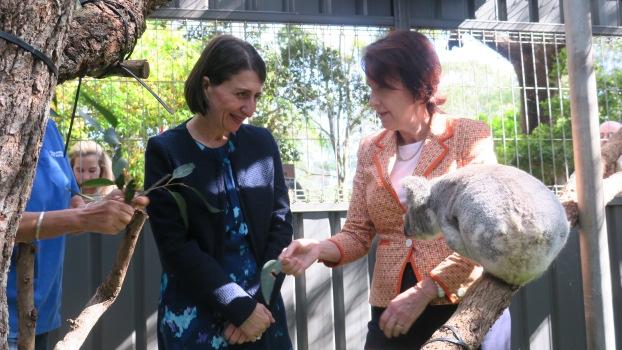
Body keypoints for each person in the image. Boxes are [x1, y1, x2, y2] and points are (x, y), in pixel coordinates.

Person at [278, 30, 511, 349]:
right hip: (392, 310)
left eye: (384, 89)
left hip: (463, 304)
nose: (374, 101)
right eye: (372, 89)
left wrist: (426, 289)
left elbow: (482, 233)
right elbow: (358, 233)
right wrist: (320, 248)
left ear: (420, 86)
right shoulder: (370, 149)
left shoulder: (467, 137)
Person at [144, 35, 293, 349]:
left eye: (256, 96)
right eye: (241, 94)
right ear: (207, 86)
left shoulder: (262, 144)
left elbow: (280, 225)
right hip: (197, 308)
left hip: (262, 306)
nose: (250, 108)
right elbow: (175, 247)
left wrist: (256, 305)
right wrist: (236, 306)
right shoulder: (166, 151)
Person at [7, 119, 148, 350]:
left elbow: (72, 205)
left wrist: (103, 207)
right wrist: (83, 218)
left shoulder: (47, 125)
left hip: (42, 311)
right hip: (7, 314)